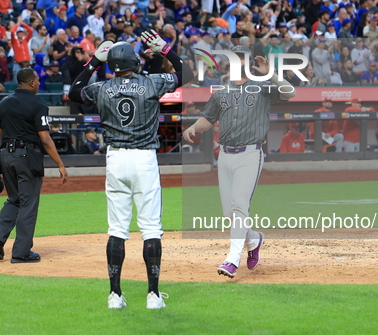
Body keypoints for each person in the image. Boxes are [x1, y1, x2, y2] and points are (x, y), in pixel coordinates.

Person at [68, 30, 194, 310]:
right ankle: (153, 295)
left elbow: (74, 91)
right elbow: (188, 75)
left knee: (117, 229)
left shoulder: (101, 87)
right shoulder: (151, 82)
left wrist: (93, 63)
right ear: (134, 63)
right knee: (150, 228)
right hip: (144, 159)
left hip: (115, 159)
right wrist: (165, 50)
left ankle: (115, 295)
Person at [183, 45, 296, 279]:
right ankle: (254, 239)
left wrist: (270, 73)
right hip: (224, 155)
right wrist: (195, 126)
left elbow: (290, 92)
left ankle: (232, 260)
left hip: (250, 153)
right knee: (230, 215)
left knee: (238, 205)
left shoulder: (262, 87)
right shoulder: (221, 91)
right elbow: (208, 118)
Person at [0, 68, 68, 264]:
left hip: (5, 155)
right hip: (26, 155)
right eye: (38, 81)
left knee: (14, 199)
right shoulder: (38, 103)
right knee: (28, 204)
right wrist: (60, 164)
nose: (39, 84)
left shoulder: (4, 102)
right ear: (31, 83)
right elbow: (45, 138)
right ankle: (21, 252)